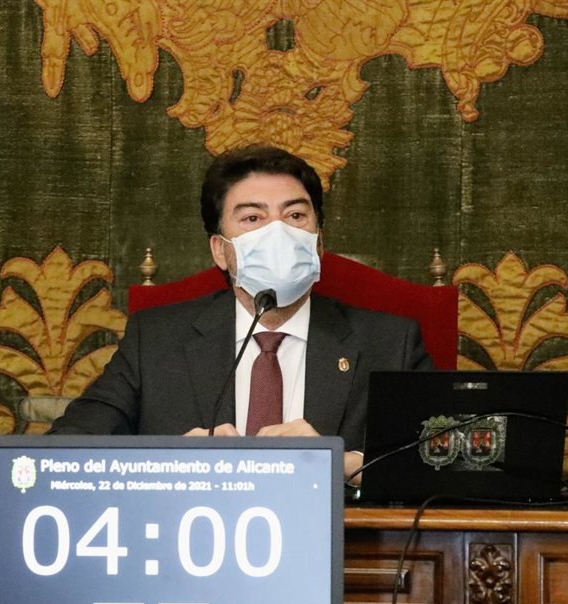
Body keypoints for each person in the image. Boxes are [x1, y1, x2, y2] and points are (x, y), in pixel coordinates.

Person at [49, 145, 431, 479]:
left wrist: (345, 463)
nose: (279, 233)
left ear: (318, 243)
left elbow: (443, 460)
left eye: (295, 216)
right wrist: (169, 461)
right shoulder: (156, 341)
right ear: (220, 250)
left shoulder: (390, 344)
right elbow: (66, 447)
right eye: (252, 218)